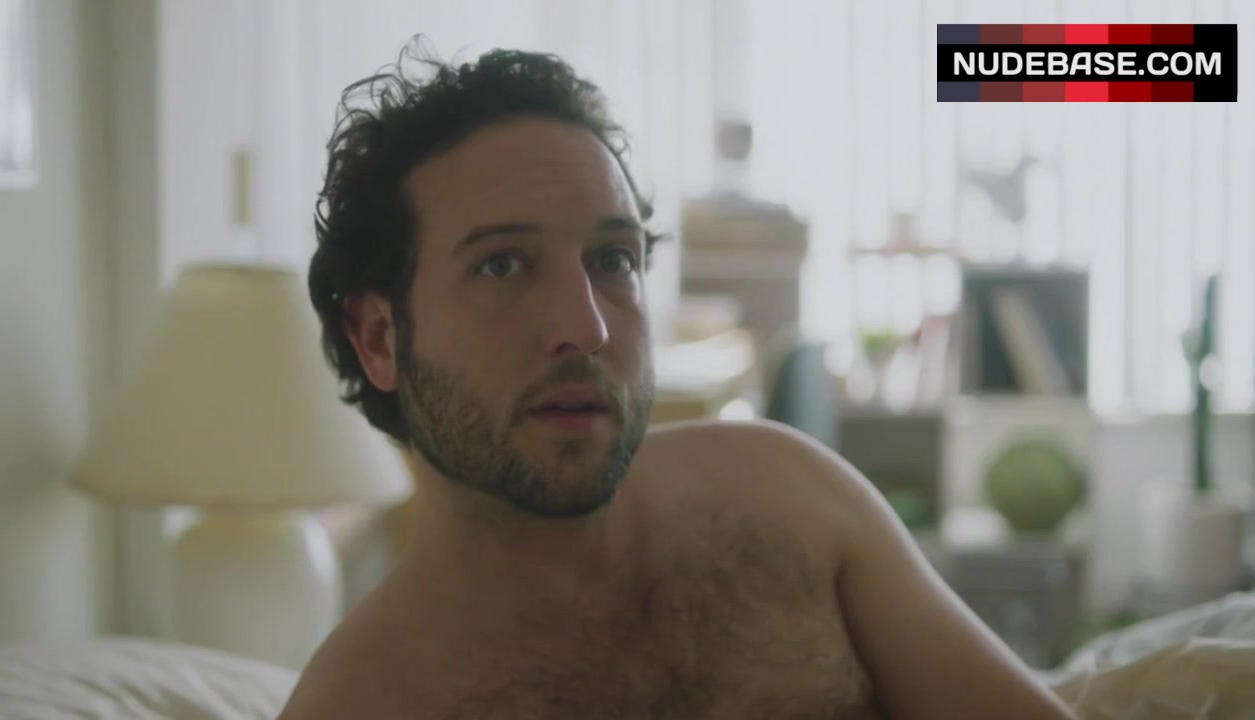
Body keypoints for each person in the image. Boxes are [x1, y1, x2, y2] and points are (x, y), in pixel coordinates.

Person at [280, 40, 1075, 720]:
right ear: (379, 339)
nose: (586, 327)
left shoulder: (786, 501)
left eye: (612, 260)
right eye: (502, 266)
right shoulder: (360, 702)